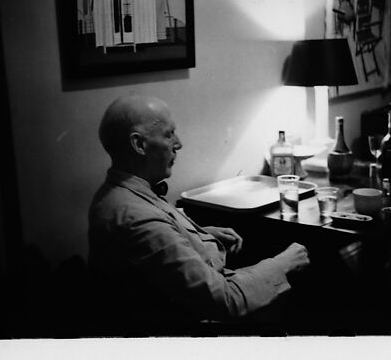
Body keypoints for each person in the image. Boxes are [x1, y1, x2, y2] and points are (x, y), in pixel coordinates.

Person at [88, 95, 310, 328]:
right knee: (310, 277)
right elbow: (225, 300)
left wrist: (198, 234)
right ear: (139, 144)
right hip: (183, 330)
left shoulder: (123, 194)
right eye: (168, 134)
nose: (178, 143)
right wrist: (283, 264)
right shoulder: (135, 218)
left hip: (186, 303)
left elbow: (161, 245)